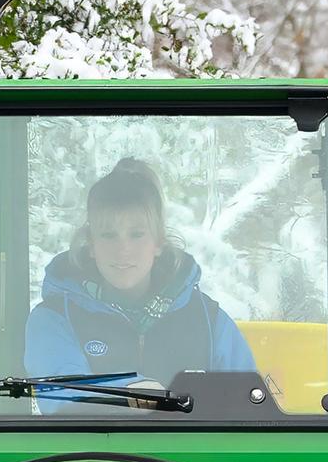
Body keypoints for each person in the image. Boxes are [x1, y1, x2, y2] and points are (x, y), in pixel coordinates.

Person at [24, 156, 258, 392]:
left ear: (158, 243)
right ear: (91, 245)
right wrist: (134, 394)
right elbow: (62, 394)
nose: (123, 249)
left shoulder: (209, 320)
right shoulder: (55, 317)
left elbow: (246, 401)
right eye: (108, 235)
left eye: (136, 235)